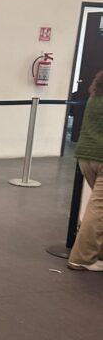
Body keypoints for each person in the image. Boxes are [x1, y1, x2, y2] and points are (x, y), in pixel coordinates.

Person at [68, 70, 103, 272]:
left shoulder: (94, 97)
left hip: (86, 157)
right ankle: (82, 258)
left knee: (99, 208)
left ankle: (98, 253)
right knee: (98, 210)